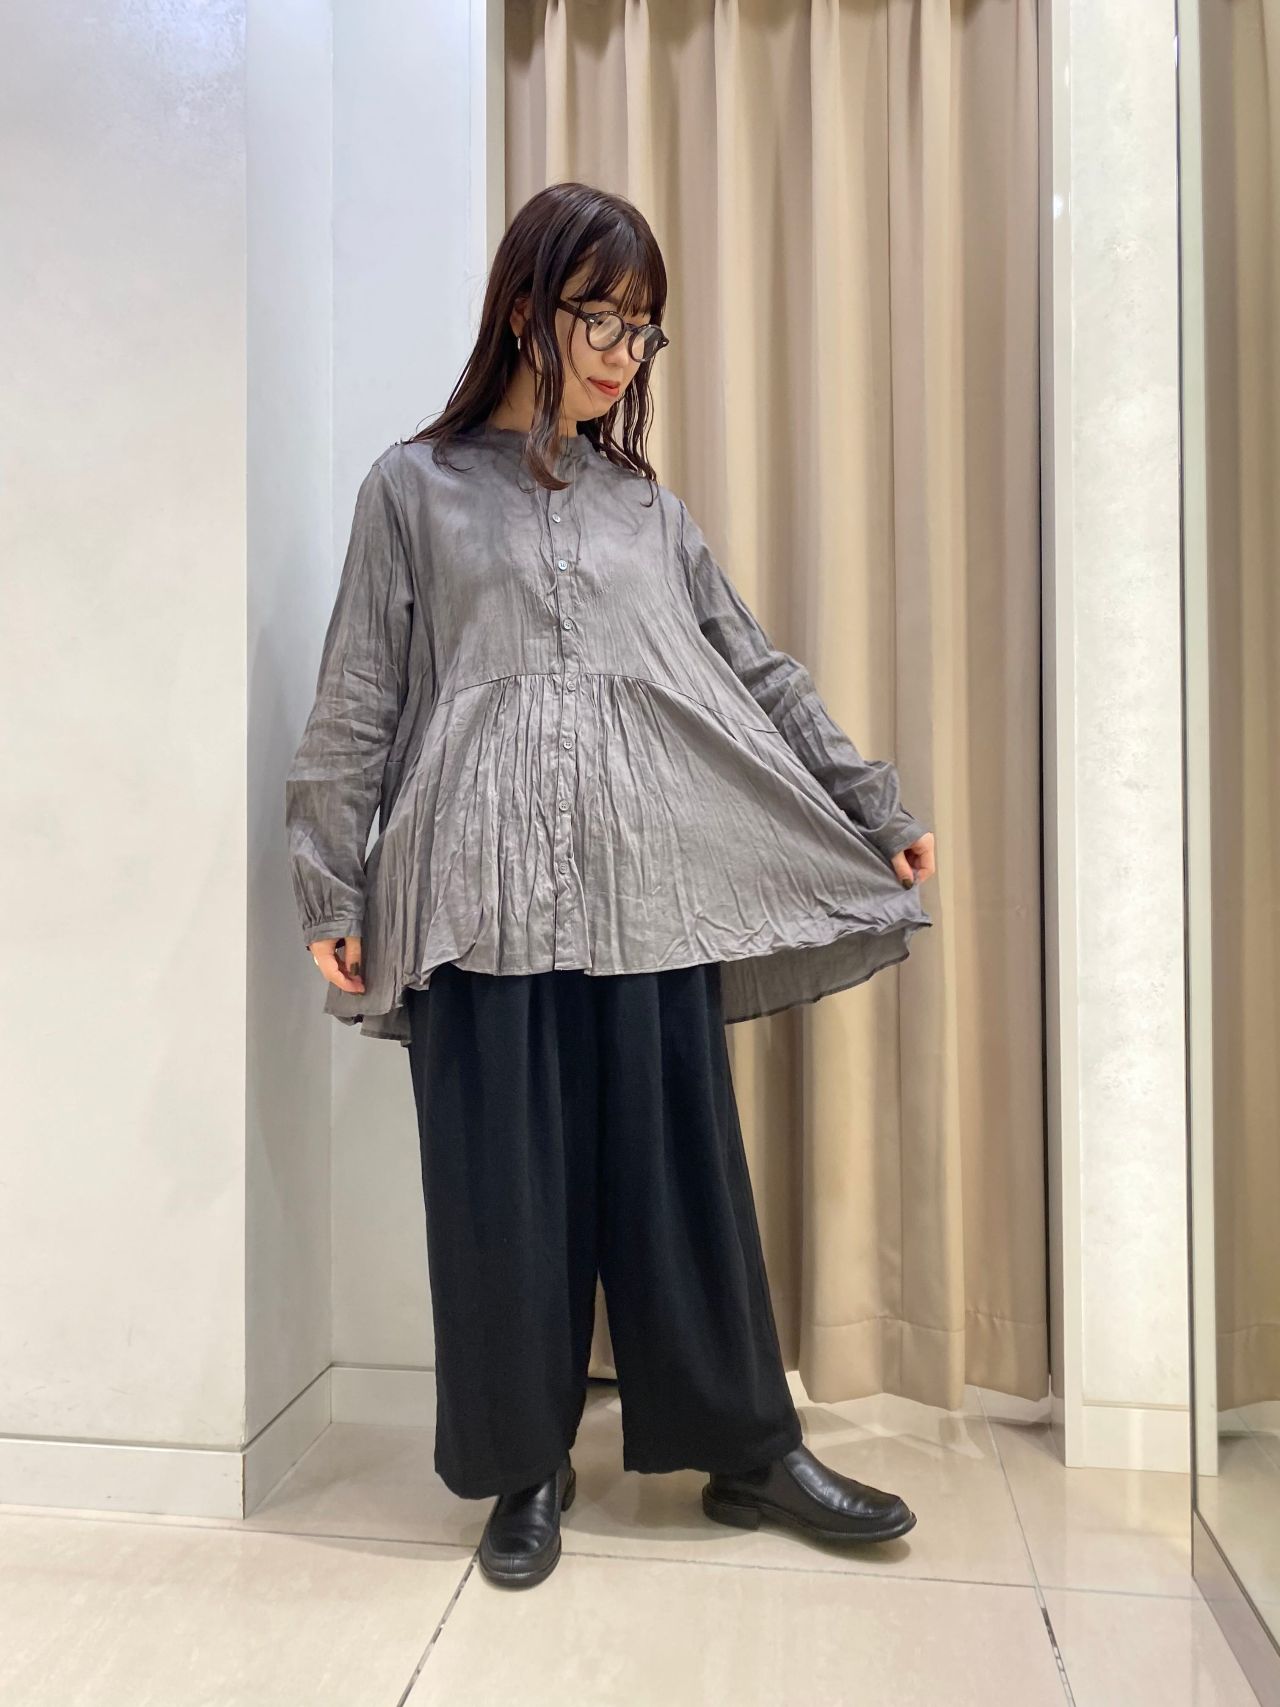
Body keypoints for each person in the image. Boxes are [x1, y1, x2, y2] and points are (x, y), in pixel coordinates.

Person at [285, 182, 936, 1590]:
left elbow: (753, 669)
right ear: (527, 308)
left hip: (652, 886)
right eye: (601, 318)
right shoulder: (413, 487)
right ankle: (525, 1468)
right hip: (475, 895)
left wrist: (865, 799)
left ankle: (746, 1453)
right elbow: (358, 695)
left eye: (644, 330)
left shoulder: (649, 511)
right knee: (499, 1192)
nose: (622, 353)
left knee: (683, 1177)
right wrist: (329, 879)